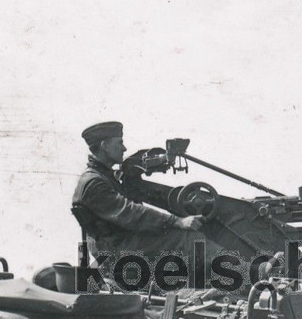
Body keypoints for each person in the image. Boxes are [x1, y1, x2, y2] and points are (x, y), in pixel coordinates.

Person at [71, 121, 221, 285]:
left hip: (117, 243)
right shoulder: (94, 183)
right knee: (189, 239)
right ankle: (236, 274)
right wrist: (176, 221)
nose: (124, 148)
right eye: (119, 142)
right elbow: (130, 212)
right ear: (105, 146)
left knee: (183, 236)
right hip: (118, 250)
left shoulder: (101, 176)